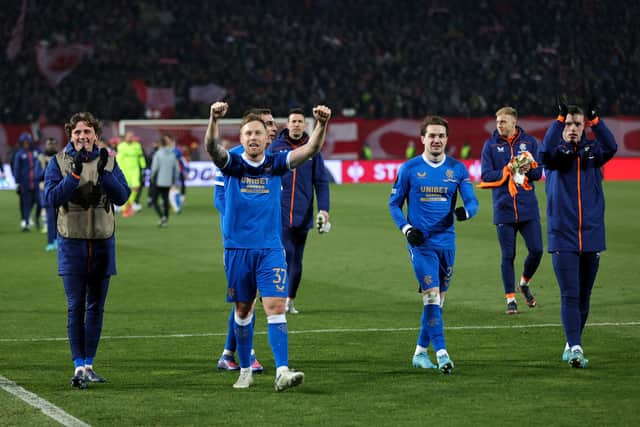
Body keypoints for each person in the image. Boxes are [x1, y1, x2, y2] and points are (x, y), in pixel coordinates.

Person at [205, 101, 331, 390]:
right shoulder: (232, 164)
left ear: (266, 139)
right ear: (241, 138)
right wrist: (213, 118)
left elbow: (310, 149)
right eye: (247, 133)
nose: (252, 137)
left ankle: (282, 371)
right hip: (238, 249)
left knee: (276, 306)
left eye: (257, 133)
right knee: (242, 310)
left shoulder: (275, 164)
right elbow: (212, 147)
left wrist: (321, 125)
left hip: (270, 248)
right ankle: (245, 368)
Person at [44, 112, 131, 389]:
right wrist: (76, 174)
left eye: (88, 132)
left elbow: (123, 197)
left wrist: (105, 174)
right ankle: (78, 365)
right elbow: (50, 198)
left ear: (96, 134)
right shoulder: (58, 162)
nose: (83, 136)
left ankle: (89, 364)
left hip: (103, 243)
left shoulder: (110, 161)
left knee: (96, 307)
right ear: (71, 135)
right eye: (78, 132)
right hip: (72, 243)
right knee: (75, 307)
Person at [389, 115, 479, 374]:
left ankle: (419, 352)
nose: (436, 140)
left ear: (446, 139)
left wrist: (466, 212)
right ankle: (442, 354)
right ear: (422, 139)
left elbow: (472, 202)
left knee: (438, 302)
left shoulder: (457, 170)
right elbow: (394, 204)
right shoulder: (409, 169)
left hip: (447, 243)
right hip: (421, 244)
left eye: (440, 136)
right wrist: (407, 229)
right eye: (432, 136)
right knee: (430, 296)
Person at [539, 99, 617, 368]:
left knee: (584, 296)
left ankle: (572, 341)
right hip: (563, 234)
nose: (573, 128)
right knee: (570, 294)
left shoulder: (593, 152)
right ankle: (575, 347)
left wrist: (597, 121)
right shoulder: (554, 155)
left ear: (584, 126)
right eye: (569, 123)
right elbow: (544, 151)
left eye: (577, 123)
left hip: (592, 233)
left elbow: (612, 147)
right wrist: (558, 121)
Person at [214, 108, 278, 373]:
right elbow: (219, 198)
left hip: (265, 240)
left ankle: (229, 353)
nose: (273, 128)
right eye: (268, 124)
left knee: (247, 300)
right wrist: (236, 231)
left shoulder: (272, 160)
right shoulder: (234, 158)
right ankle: (245, 354)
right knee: (247, 301)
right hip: (240, 242)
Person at [478, 106, 543, 314]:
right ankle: (510, 300)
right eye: (498, 122)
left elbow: (539, 172)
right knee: (508, 255)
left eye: (503, 121)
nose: (499, 125)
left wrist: (528, 169)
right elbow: (486, 176)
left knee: (537, 250)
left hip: (527, 208)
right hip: (503, 208)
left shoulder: (530, 142)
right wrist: (507, 170)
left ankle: (523, 283)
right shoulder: (490, 145)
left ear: (514, 122)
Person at [270, 108, 331, 314]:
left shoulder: (313, 150)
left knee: (297, 258)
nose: (296, 124)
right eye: (293, 121)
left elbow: (321, 181)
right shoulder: (275, 148)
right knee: (286, 253)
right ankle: (276, 295)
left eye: (299, 121)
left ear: (305, 125)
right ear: (287, 124)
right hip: (280, 212)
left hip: (303, 213)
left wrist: (324, 209)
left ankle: (290, 299)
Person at [13, 132, 43, 231]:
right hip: (25, 183)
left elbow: (43, 153)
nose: (26, 144)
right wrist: (17, 183)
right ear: (21, 143)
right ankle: (26, 224)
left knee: (40, 203)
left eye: (27, 142)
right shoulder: (19, 154)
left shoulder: (36, 151)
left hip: (36, 182)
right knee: (26, 204)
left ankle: (37, 218)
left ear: (30, 142)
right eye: (24, 142)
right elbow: (17, 169)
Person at [150, 135, 180, 227]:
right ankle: (165, 219)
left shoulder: (158, 154)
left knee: (154, 200)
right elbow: (177, 169)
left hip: (158, 180)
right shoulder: (172, 154)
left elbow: (154, 168)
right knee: (165, 200)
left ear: (160, 144)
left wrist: (152, 177)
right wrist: (174, 180)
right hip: (168, 181)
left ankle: (162, 217)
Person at [116, 132, 146, 217]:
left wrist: (143, 167)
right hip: (125, 170)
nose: (130, 138)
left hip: (135, 169)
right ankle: (125, 208)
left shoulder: (137, 146)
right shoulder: (121, 146)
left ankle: (129, 204)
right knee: (126, 188)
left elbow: (141, 156)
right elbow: (119, 158)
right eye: (129, 136)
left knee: (136, 187)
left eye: (132, 136)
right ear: (125, 138)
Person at [38, 137, 60, 251]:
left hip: (59, 191)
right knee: (51, 218)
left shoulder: (60, 158)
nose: (51, 146)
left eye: (53, 144)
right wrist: (48, 168)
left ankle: (58, 240)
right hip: (47, 191)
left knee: (60, 218)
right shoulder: (41, 158)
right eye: (49, 144)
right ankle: (51, 241)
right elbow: (39, 175)